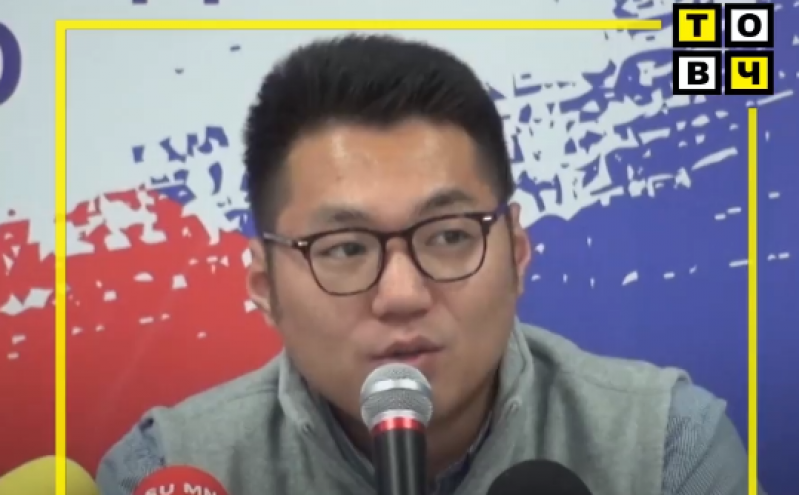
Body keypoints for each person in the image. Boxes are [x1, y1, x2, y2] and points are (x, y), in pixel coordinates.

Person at [96, 34, 761, 495]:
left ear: (516, 255)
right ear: (265, 287)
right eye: (346, 248)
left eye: (447, 236)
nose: (402, 293)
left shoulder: (666, 448)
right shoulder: (170, 470)